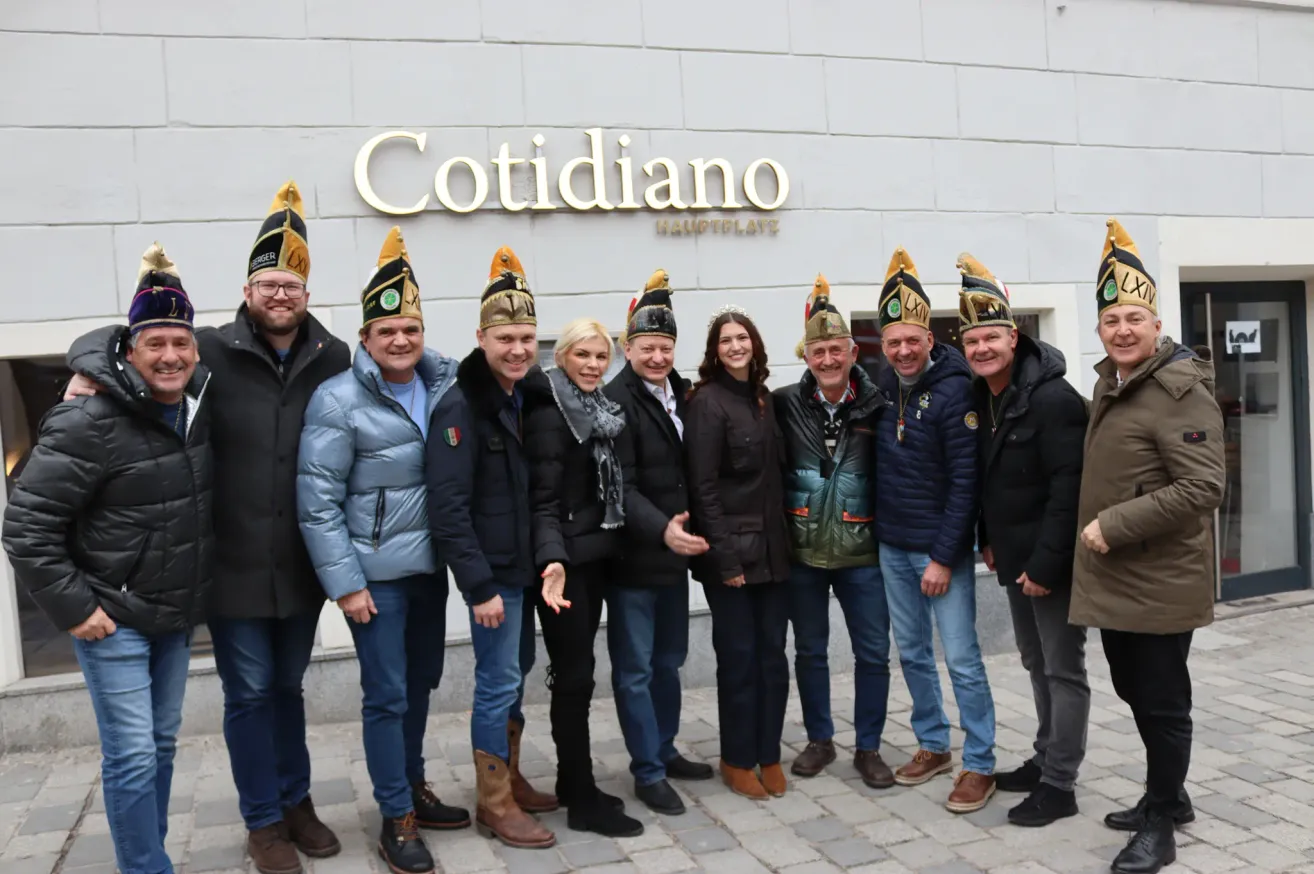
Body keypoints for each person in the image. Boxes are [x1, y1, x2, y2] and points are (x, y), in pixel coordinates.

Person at [63, 182, 350, 874]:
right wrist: (88, 375)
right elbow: (136, 354)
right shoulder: (209, 351)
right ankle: (263, 824)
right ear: (247, 290)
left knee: (288, 688)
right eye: (267, 283)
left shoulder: (335, 357)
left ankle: (297, 801)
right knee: (248, 694)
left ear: (308, 292)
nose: (280, 295)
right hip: (228, 562)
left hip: (299, 562)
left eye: (291, 284)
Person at [3, 245, 212, 874]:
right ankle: (147, 868)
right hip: (110, 619)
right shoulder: (86, 419)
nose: (170, 355)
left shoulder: (197, 413)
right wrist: (76, 610)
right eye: (156, 344)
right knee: (133, 756)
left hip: (171, 617)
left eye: (181, 342)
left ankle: (149, 856)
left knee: (161, 746)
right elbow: (26, 525)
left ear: (196, 350)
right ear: (129, 350)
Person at [297, 228, 467, 874]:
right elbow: (317, 501)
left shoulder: (446, 387)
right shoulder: (338, 400)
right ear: (366, 337)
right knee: (386, 694)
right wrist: (346, 583)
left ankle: (414, 785)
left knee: (421, 683)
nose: (400, 340)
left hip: (428, 572)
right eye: (387, 329)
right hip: (375, 581)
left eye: (411, 329)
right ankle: (394, 814)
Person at [1071, 220, 1224, 874]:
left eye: (1135, 317)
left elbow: (1204, 486)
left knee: (1163, 702)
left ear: (1157, 323)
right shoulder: (1113, 384)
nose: (1123, 329)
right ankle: (1172, 793)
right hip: (1117, 580)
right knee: (1133, 687)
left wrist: (1115, 524)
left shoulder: (1178, 391)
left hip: (1160, 579)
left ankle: (1161, 824)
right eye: (1111, 320)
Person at [426, 246, 556, 849]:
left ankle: (513, 775)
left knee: (516, 674)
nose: (518, 349)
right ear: (481, 337)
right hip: (493, 578)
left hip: (524, 569)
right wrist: (478, 587)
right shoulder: (461, 405)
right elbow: (448, 509)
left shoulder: (525, 397)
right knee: (497, 680)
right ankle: (494, 802)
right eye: (506, 337)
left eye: (527, 337)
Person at [959, 253, 1090, 827]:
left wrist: (1045, 564)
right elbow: (989, 478)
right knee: (1035, 663)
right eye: (972, 340)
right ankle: (1044, 759)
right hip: (1012, 557)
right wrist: (988, 538)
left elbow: (1071, 490)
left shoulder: (1054, 399)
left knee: (1063, 670)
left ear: (1014, 336)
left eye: (991, 337)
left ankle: (1061, 785)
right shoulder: (985, 396)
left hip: (1049, 563)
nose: (982, 348)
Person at [873, 247, 997, 814]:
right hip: (891, 547)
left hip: (938, 551)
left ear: (929, 338)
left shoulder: (956, 391)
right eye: (892, 340)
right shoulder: (881, 388)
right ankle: (932, 744)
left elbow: (965, 484)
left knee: (964, 659)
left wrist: (945, 557)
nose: (902, 350)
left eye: (911, 340)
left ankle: (980, 763)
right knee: (914, 654)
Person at [525, 318, 645, 838]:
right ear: (563, 357)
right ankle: (580, 795)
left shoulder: (598, 411)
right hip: (565, 565)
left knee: (579, 675)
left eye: (602, 356)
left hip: (593, 556)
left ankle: (573, 782)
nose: (594, 364)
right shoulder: (554, 413)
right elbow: (543, 500)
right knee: (573, 678)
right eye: (584, 355)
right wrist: (554, 561)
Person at [602, 270, 713, 816]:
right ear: (628, 347)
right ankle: (646, 770)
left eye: (665, 347)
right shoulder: (614, 400)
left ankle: (664, 750)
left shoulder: (686, 392)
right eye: (647, 348)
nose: (657, 357)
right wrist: (661, 527)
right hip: (634, 559)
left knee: (670, 660)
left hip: (675, 557)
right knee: (636, 669)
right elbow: (619, 481)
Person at [776, 275, 892, 788]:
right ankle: (820, 739)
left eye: (836, 350)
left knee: (873, 652)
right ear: (807, 356)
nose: (827, 360)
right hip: (801, 549)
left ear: (851, 351)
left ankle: (868, 746)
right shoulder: (782, 403)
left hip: (862, 549)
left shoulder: (879, 402)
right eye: (818, 351)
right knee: (810, 651)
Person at [685, 307, 792, 801]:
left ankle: (768, 753)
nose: (735, 346)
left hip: (774, 552)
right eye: (725, 340)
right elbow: (703, 488)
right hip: (732, 557)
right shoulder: (706, 403)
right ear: (714, 350)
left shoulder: (765, 400)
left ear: (755, 345)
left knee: (773, 658)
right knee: (740, 659)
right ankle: (736, 758)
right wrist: (724, 561)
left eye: (742, 338)